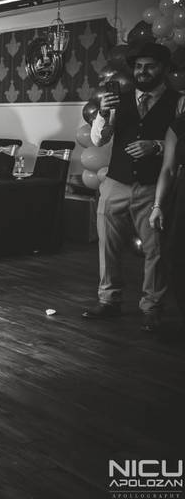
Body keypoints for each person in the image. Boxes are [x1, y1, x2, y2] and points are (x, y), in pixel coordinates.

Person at [85, 42, 179, 332]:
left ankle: (152, 308)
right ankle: (109, 301)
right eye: (138, 67)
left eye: (149, 66)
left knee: (156, 250)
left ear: (162, 69)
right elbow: (99, 140)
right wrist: (103, 113)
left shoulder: (178, 101)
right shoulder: (119, 100)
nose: (143, 71)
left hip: (154, 186)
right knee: (108, 246)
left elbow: (182, 144)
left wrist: (157, 146)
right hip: (115, 182)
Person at [148, 110, 185, 321]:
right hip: (182, 197)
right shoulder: (179, 125)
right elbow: (168, 169)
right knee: (176, 255)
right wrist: (157, 205)